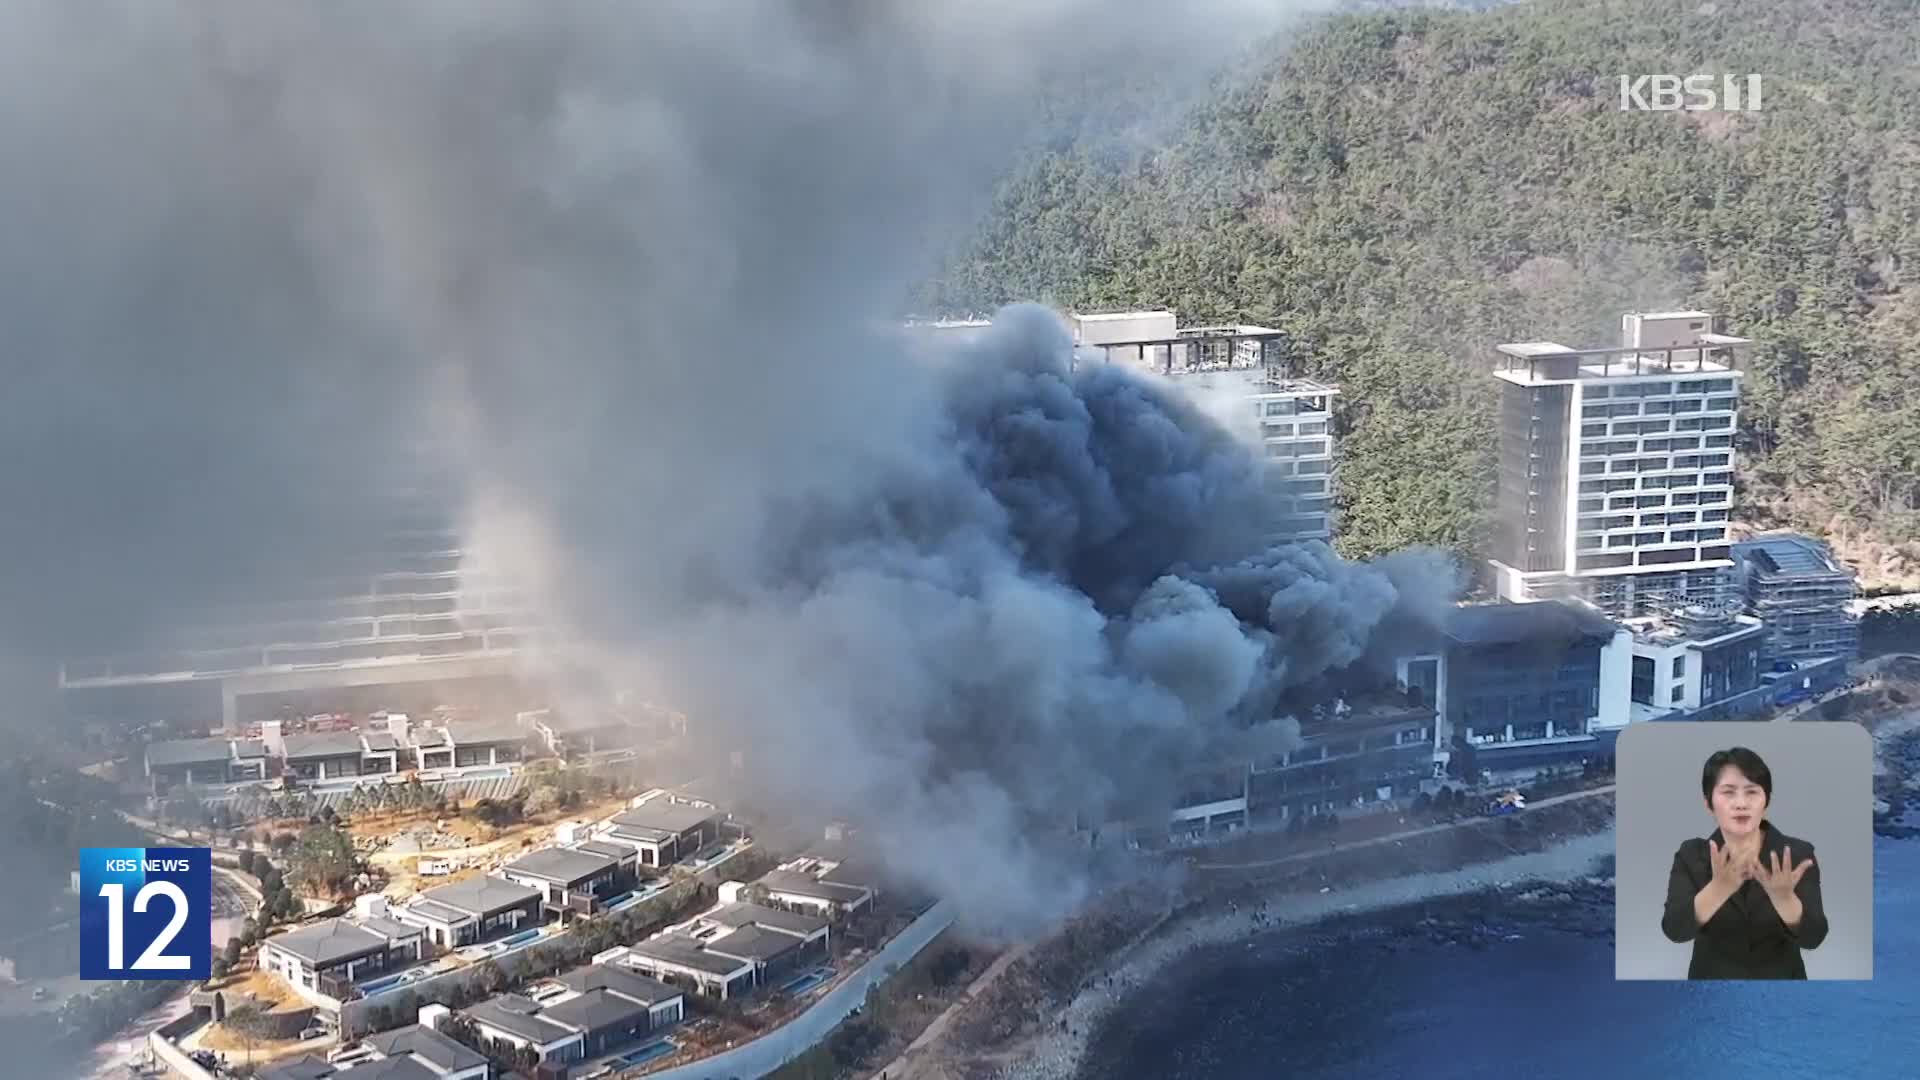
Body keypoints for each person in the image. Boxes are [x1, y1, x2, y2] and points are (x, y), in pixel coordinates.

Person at [1660, 746, 1829, 978]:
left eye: (1752, 792)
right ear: (1708, 803)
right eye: (1728, 792)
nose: (1741, 803)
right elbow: (1674, 930)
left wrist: (1785, 901)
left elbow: (1814, 938)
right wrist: (1718, 890)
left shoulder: (1797, 854)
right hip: (1712, 993)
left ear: (1766, 801)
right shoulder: (1691, 855)